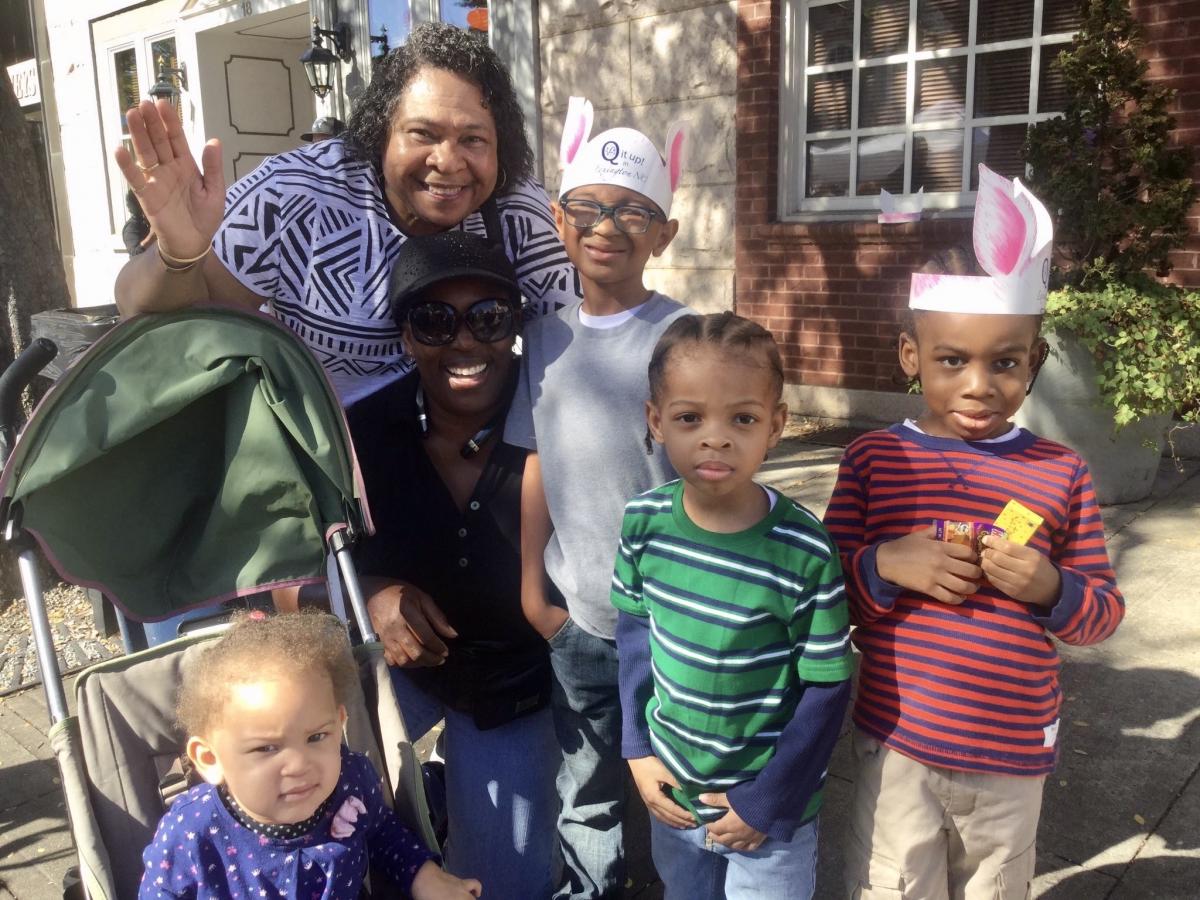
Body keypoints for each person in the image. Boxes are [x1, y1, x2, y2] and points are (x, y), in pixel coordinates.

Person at [823, 165, 1125, 899]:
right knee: (894, 886)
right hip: (900, 743)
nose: (979, 384)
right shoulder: (875, 460)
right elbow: (821, 593)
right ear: (911, 356)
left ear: (1034, 361)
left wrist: (1051, 587)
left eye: (1006, 362)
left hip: (1013, 753)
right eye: (952, 360)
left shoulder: (1060, 471)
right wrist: (883, 564)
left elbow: (1102, 613)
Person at [113, 23, 580, 405]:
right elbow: (146, 310)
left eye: (473, 139)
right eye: (423, 134)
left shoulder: (516, 208)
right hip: (324, 459)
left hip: (462, 455)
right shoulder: (294, 195)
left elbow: (577, 344)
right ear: (380, 133)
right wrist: (178, 256)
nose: (447, 161)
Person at [504, 96, 689, 899]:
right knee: (586, 786)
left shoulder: (690, 337)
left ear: (663, 234)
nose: (606, 226)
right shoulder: (544, 336)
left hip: (676, 621)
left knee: (678, 781)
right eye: (586, 207)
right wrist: (532, 590)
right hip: (579, 618)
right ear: (559, 219)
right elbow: (536, 461)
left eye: (631, 211)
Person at [344, 230, 559, 897]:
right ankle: (429, 796)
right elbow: (289, 579)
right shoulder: (360, 432)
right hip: (398, 671)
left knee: (509, 887)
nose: (465, 341)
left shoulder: (559, 416)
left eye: (488, 317)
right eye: (435, 321)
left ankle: (444, 792)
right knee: (298, 789)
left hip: (516, 683)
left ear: (515, 327)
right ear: (406, 337)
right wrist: (370, 594)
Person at [611, 313, 854, 899]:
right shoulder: (643, 522)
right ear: (656, 421)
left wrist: (767, 800)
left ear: (776, 425)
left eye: (742, 418)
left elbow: (826, 687)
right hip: (674, 795)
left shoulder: (804, 549)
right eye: (689, 418)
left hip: (767, 814)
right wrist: (638, 751)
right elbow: (635, 639)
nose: (715, 438)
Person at [138, 610, 481, 899]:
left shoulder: (350, 778)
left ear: (339, 723)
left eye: (317, 737)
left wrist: (425, 876)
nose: (299, 764)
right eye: (266, 748)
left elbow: (380, 832)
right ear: (211, 759)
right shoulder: (191, 832)